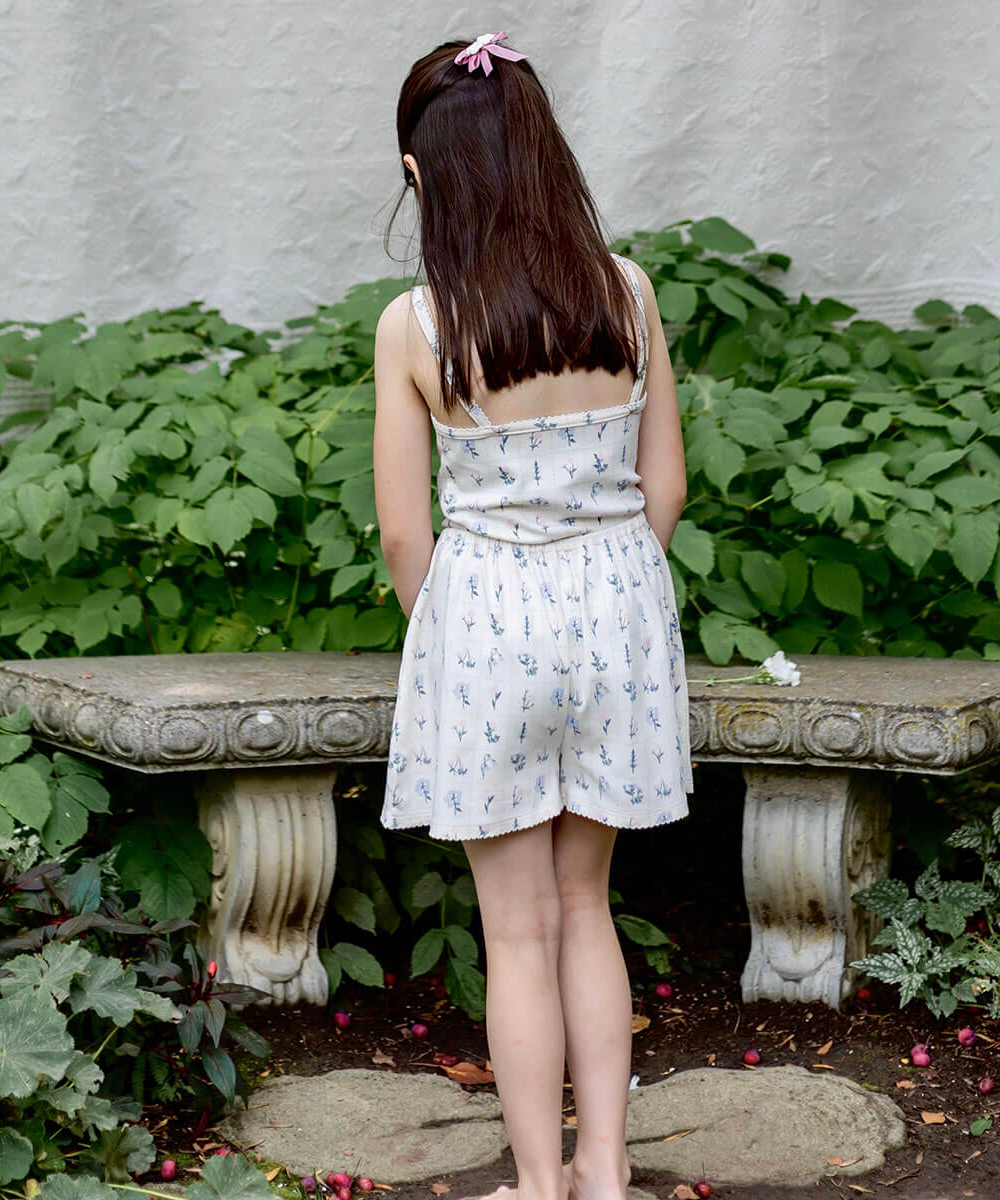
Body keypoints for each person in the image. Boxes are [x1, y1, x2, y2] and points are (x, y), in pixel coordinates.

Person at [371, 32, 693, 1200]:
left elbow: (404, 534)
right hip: (615, 613)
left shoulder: (416, 325)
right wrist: (609, 593)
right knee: (584, 905)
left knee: (514, 933)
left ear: (422, 175)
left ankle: (540, 1183)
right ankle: (605, 1169)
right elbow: (666, 490)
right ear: (544, 153)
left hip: (487, 622)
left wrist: (455, 638)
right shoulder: (629, 292)